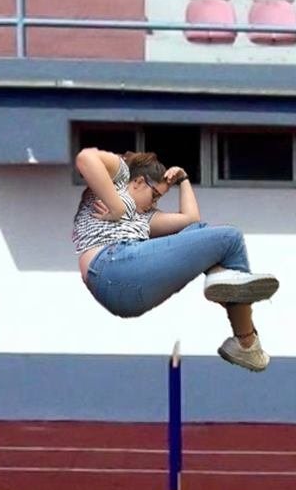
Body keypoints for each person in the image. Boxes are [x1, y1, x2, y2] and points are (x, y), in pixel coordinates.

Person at [72, 146, 279, 372]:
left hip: (129, 293)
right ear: (139, 181)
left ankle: (232, 308)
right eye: (154, 196)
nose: (154, 204)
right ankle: (245, 336)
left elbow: (190, 219)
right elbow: (85, 157)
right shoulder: (119, 178)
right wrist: (117, 207)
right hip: (110, 265)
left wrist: (184, 179)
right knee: (231, 238)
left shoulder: (145, 218)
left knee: (197, 231)